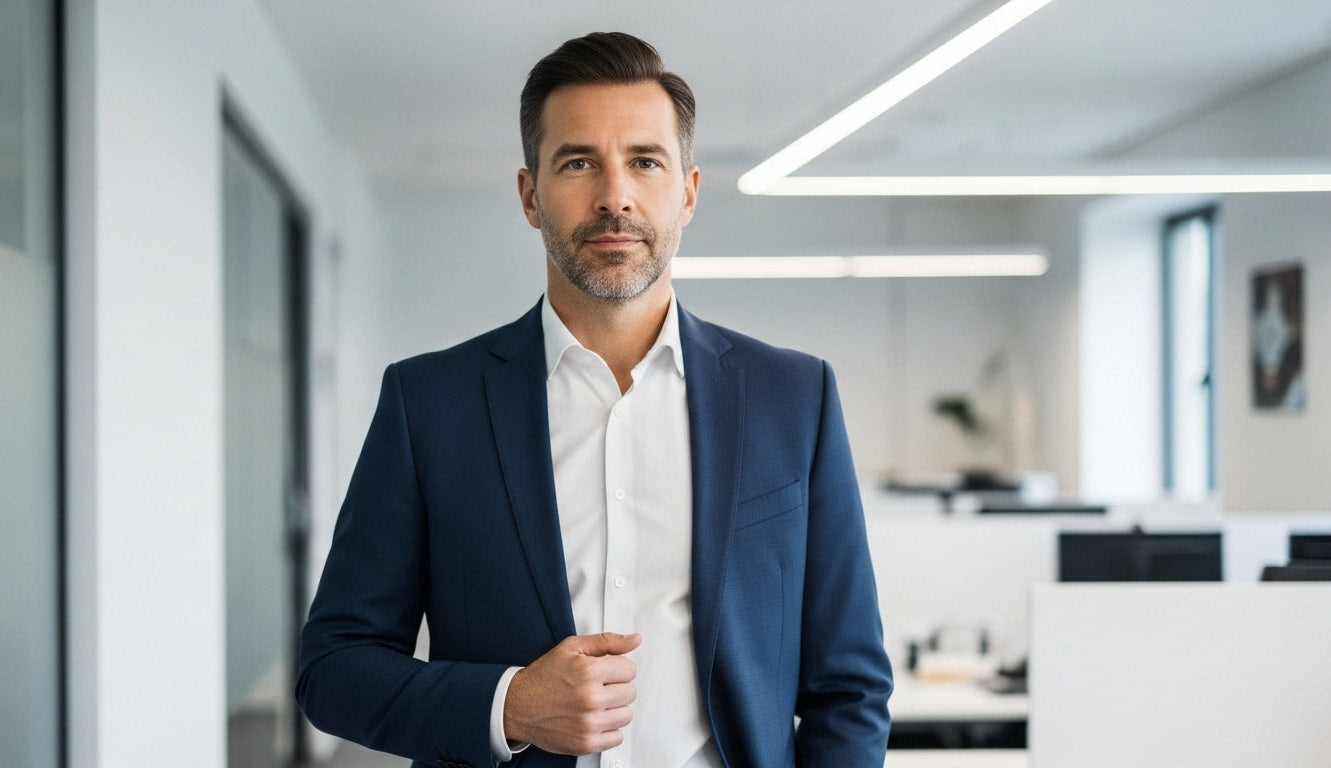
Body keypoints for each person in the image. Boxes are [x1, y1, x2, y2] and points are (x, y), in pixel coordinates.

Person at [296, 31, 892, 768]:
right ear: (529, 195)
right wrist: (507, 704)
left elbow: (849, 686)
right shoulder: (429, 404)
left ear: (688, 191)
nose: (615, 196)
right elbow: (333, 669)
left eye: (645, 161)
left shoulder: (792, 398)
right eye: (578, 163)